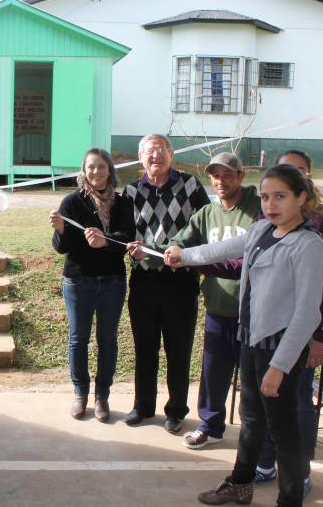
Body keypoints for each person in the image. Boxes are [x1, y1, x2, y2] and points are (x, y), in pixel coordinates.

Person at [164, 164, 323, 507]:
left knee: (284, 430)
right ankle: (240, 484)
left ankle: (290, 499)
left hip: (279, 348)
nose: (270, 204)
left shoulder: (310, 246)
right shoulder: (261, 230)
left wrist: (280, 366)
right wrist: (183, 256)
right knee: (251, 420)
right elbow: (222, 250)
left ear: (302, 197)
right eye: (266, 196)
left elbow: (306, 314)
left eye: (280, 196)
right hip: (251, 338)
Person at [253, 150, 323, 498]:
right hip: (266, 334)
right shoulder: (269, 222)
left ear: (305, 187)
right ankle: (264, 460)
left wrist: (321, 335)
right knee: (265, 401)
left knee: (299, 403)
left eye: (299, 173)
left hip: (302, 336)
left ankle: (299, 470)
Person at [167, 152, 261, 449]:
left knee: (252, 377)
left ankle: (256, 434)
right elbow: (181, 239)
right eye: (215, 176)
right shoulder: (208, 213)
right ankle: (210, 425)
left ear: (241, 176)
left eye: (227, 175)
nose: (221, 181)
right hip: (218, 306)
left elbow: (247, 261)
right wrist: (167, 250)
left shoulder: (258, 209)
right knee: (213, 372)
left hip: (254, 312)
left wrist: (194, 261)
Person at [123, 134, 211, 432]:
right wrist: (127, 245)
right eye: (150, 151)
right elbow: (123, 232)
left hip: (181, 281)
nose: (155, 156)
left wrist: (183, 252)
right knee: (144, 347)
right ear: (141, 156)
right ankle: (143, 407)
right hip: (144, 280)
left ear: (171, 154)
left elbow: (204, 226)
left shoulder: (189, 185)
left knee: (179, 349)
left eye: (161, 150)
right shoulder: (132, 190)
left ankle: (176, 410)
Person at [49, 148, 134, 422]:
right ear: (83, 172)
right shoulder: (72, 202)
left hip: (112, 282)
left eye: (100, 166)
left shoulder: (123, 204)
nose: (95, 172)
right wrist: (61, 230)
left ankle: (102, 397)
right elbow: (62, 248)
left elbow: (127, 239)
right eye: (90, 167)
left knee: (107, 339)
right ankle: (80, 393)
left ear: (109, 170)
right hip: (78, 281)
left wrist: (106, 240)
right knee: (78, 338)